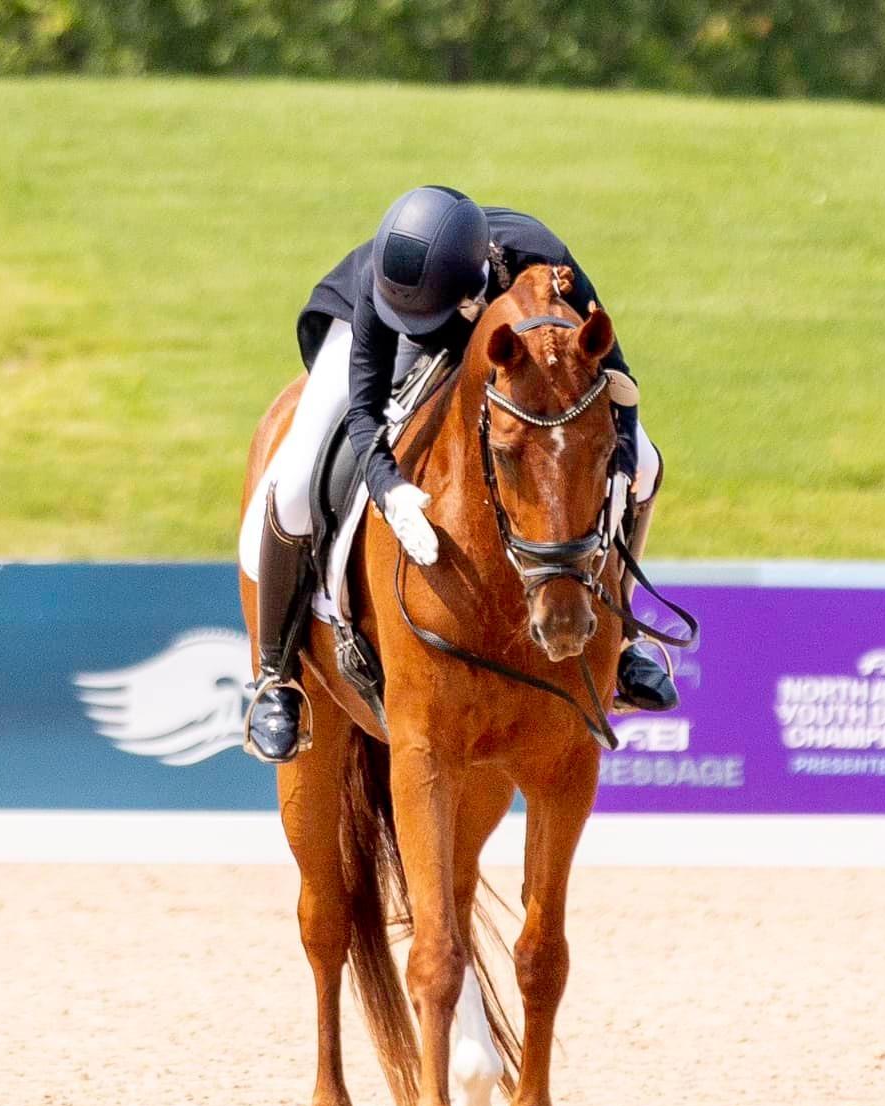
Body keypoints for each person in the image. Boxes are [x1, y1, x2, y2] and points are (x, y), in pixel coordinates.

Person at [240, 185, 676, 764]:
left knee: (644, 462)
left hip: (495, 338)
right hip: (386, 337)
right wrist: (389, 488)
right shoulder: (379, 287)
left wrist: (619, 464)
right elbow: (365, 412)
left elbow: (616, 381)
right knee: (294, 484)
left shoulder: (543, 257)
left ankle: (622, 638)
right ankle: (276, 676)